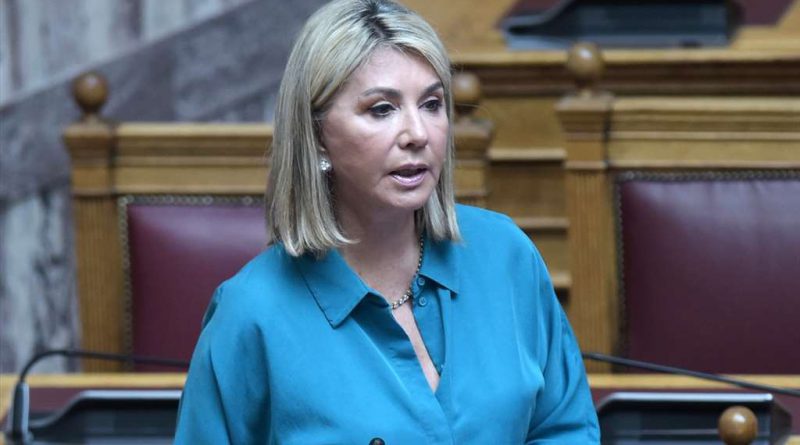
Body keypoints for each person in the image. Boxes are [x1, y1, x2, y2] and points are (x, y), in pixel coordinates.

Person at [174, 0, 600, 443]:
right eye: (382, 109)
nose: (418, 133)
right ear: (317, 135)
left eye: (432, 104)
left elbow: (565, 428)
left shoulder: (505, 255)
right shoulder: (251, 312)